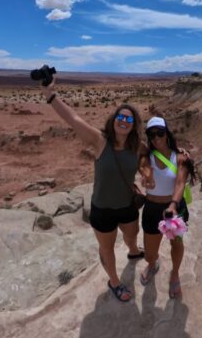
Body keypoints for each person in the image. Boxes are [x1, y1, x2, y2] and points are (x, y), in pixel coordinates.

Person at [41, 76, 150, 303]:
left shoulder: (138, 146)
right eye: (120, 116)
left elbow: (146, 163)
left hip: (127, 205)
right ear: (114, 120)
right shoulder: (100, 141)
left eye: (129, 119)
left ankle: (132, 251)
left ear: (134, 125)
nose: (124, 121)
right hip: (103, 209)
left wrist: (148, 174)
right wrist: (51, 96)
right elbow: (74, 119)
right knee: (107, 248)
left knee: (132, 234)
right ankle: (114, 282)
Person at [139, 116, 195, 300]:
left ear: (166, 134)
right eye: (151, 134)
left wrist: (173, 205)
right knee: (149, 253)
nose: (156, 138)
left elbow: (180, 184)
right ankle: (152, 264)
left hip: (174, 208)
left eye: (160, 133)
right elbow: (146, 169)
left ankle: (175, 274)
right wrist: (147, 176)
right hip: (152, 208)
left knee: (176, 244)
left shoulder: (180, 158)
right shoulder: (147, 157)